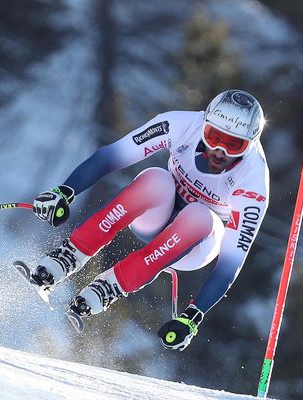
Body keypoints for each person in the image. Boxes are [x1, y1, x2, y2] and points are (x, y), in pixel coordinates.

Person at [31, 89, 269, 351]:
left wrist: (193, 317)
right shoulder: (181, 125)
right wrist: (65, 191)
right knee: (156, 179)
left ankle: (113, 285)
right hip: (154, 217)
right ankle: (70, 254)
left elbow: (230, 263)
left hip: (197, 245)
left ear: (250, 144)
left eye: (234, 144)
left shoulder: (253, 180)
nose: (219, 151)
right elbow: (112, 155)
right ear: (204, 124)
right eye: (214, 137)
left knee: (199, 216)